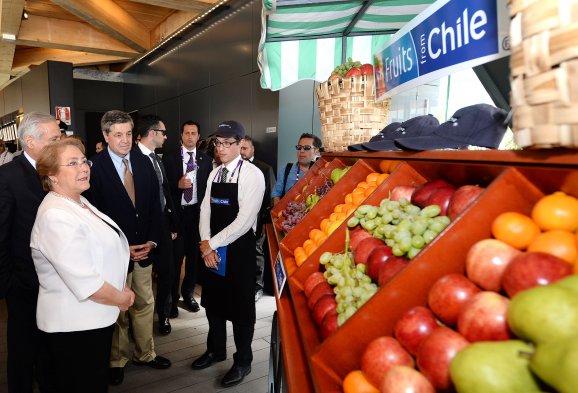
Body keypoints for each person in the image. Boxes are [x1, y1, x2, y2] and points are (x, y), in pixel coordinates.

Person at [31, 138, 134, 393]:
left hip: (90, 321)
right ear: (52, 176)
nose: (84, 167)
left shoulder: (77, 200)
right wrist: (121, 298)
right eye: (72, 163)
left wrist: (122, 251)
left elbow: (89, 245)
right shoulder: (56, 214)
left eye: (84, 161)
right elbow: (86, 282)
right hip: (74, 328)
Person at [85, 110, 170, 386]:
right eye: (118, 134)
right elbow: (93, 217)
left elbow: (155, 209)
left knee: (145, 303)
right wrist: (121, 248)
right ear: (105, 135)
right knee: (118, 308)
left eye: (129, 134)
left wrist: (153, 241)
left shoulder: (145, 163)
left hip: (144, 252)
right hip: (114, 256)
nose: (124, 140)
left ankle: (145, 353)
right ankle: (117, 359)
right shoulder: (94, 169)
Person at [192, 120, 265, 388]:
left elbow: (245, 221)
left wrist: (212, 244)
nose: (220, 148)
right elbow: (205, 211)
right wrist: (204, 242)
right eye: (217, 143)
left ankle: (243, 361)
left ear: (240, 144)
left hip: (239, 251)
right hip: (212, 249)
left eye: (227, 143)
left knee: (241, 310)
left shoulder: (251, 175)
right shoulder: (214, 174)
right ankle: (216, 350)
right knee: (213, 303)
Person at [0, 112, 61, 393]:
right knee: (23, 354)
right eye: (54, 139)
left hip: (58, 282)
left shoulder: (60, 171)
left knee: (51, 351)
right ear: (29, 141)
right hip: (24, 285)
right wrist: (10, 283)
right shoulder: (7, 177)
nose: (60, 143)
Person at [162, 121, 212, 316]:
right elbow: (163, 189)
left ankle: (188, 293)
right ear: (181, 136)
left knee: (193, 259)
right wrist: (177, 185)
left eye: (194, 133)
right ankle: (172, 300)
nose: (190, 136)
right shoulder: (169, 158)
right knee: (175, 261)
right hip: (177, 215)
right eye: (187, 133)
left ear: (198, 137)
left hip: (197, 216)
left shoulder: (206, 160)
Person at [136, 114, 179, 335]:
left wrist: (172, 224)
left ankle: (163, 315)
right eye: (163, 132)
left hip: (162, 224)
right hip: (142, 228)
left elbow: (166, 193)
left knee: (168, 272)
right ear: (153, 133)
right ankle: (139, 327)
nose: (166, 136)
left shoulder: (157, 159)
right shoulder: (132, 159)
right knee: (141, 278)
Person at [240, 136, 276, 302]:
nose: (242, 152)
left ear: (252, 149)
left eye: (245, 148)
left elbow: (270, 197)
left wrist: (265, 221)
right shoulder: (235, 167)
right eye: (240, 148)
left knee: (257, 252)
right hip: (238, 220)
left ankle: (257, 287)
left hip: (258, 220)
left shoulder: (265, 168)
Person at [272, 133, 322, 206]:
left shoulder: (321, 172)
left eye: (307, 148)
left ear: (316, 151)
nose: (301, 151)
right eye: (299, 147)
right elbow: (276, 194)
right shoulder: (286, 169)